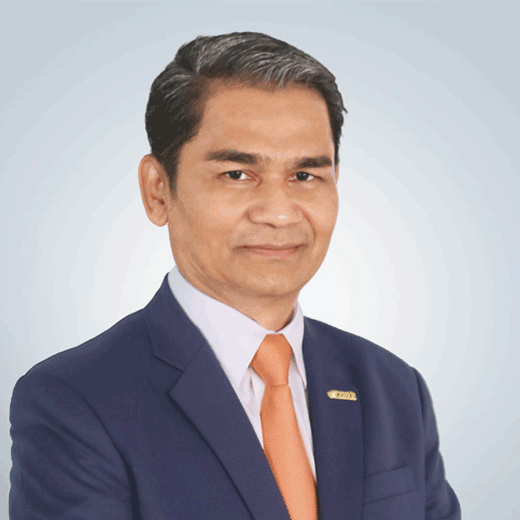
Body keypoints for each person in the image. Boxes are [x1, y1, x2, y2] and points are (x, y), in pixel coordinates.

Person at [9, 32, 461, 520]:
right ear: (158, 191)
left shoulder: (393, 389)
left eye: (305, 176)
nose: (279, 213)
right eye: (237, 175)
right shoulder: (76, 401)